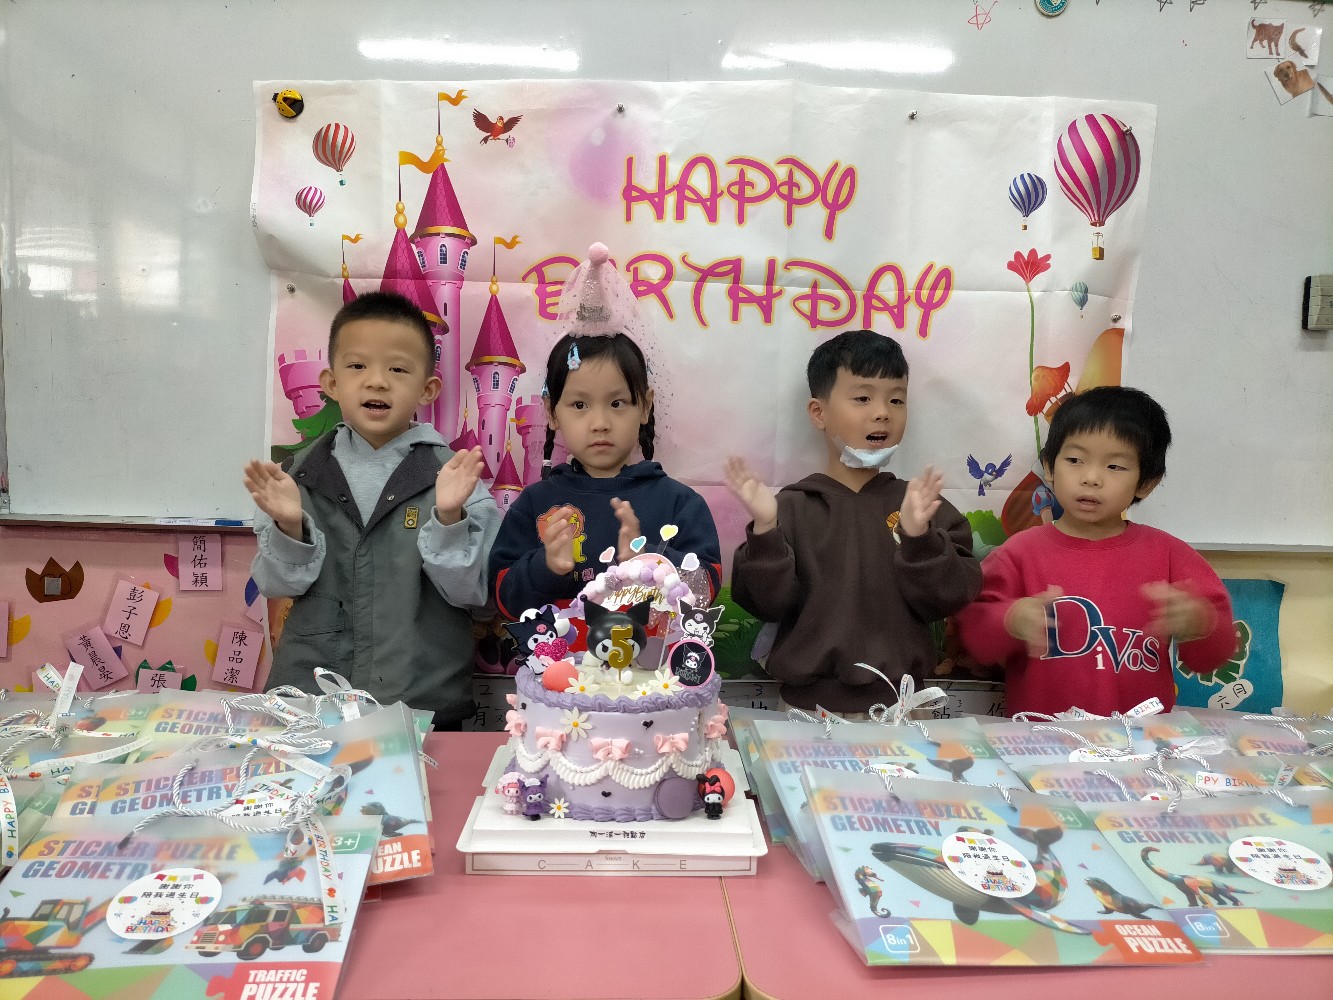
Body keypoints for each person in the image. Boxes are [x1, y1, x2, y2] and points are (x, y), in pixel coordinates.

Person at [244, 290, 499, 730]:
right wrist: (289, 525)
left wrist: (448, 520)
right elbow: (275, 584)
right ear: (331, 383)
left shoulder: (455, 479)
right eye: (358, 366)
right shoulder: (296, 478)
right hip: (313, 708)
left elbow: (475, 596)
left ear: (427, 389)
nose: (377, 381)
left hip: (420, 709)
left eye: (398, 369)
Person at [726, 329, 981, 714]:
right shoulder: (792, 507)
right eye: (862, 398)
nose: (882, 412)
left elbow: (953, 596)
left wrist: (919, 539)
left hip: (903, 712)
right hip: (806, 713)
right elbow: (765, 604)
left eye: (896, 399)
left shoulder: (922, 505)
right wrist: (765, 530)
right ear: (819, 413)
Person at [955, 385, 1234, 717]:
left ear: (1146, 482)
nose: (1091, 478)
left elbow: (1212, 657)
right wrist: (1011, 619)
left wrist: (1200, 623)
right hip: (1042, 740)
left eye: (1114, 466)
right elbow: (974, 637)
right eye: (1074, 460)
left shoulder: (1171, 555)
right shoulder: (1019, 553)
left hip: (1141, 743)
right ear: (1049, 467)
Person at [489, 244, 721, 621]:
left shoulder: (679, 504)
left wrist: (652, 562)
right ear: (551, 412)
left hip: (650, 659)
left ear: (645, 406)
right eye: (580, 405)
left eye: (617, 403)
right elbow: (501, 596)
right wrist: (546, 567)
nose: (600, 422)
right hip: (557, 659)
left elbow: (705, 592)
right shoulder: (534, 503)